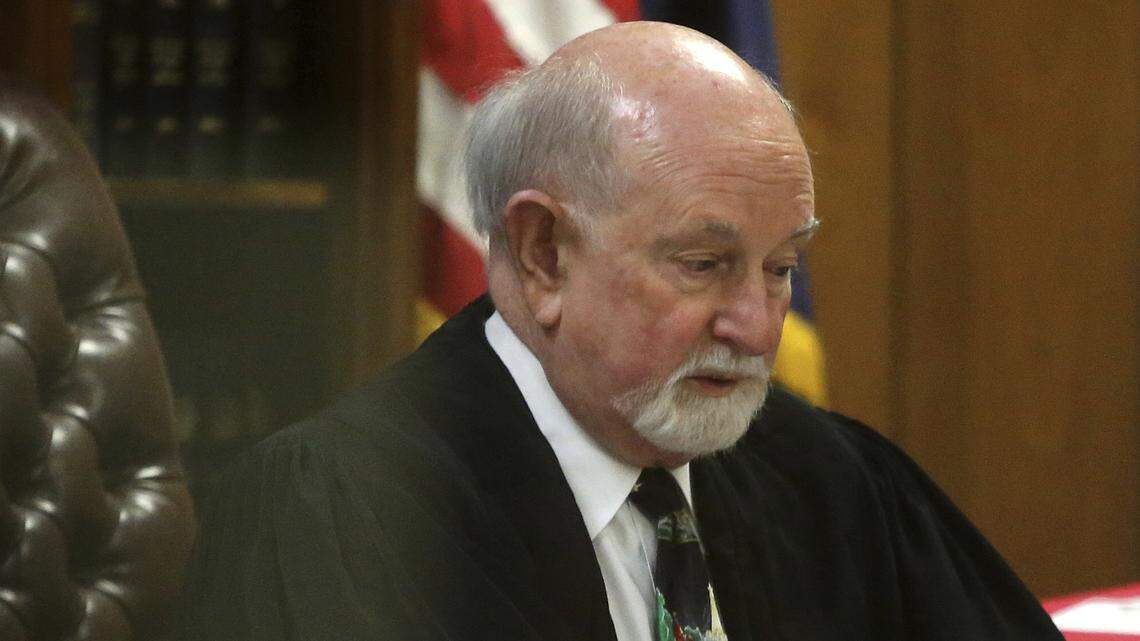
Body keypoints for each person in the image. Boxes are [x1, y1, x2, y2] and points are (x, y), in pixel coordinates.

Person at [177, 22, 1062, 641]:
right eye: (704, 263)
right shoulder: (341, 519)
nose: (756, 325)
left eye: (780, 267)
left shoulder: (832, 482)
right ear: (543, 253)